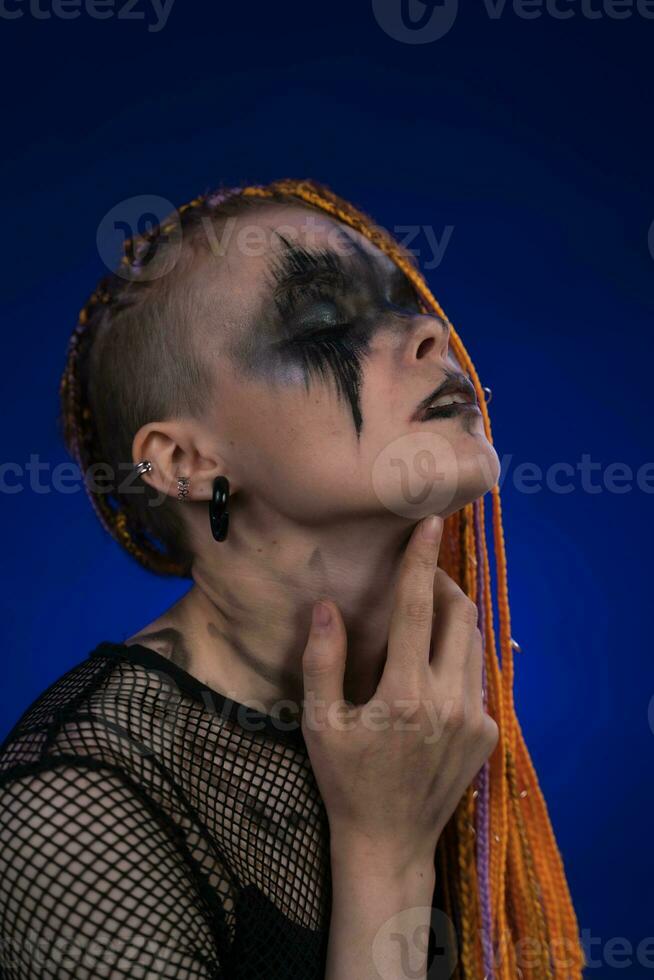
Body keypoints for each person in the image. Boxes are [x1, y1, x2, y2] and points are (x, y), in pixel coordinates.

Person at [0, 179, 585, 979]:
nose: (428, 332)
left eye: (405, 302)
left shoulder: (437, 705)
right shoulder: (75, 806)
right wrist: (388, 850)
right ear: (185, 462)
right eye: (322, 320)